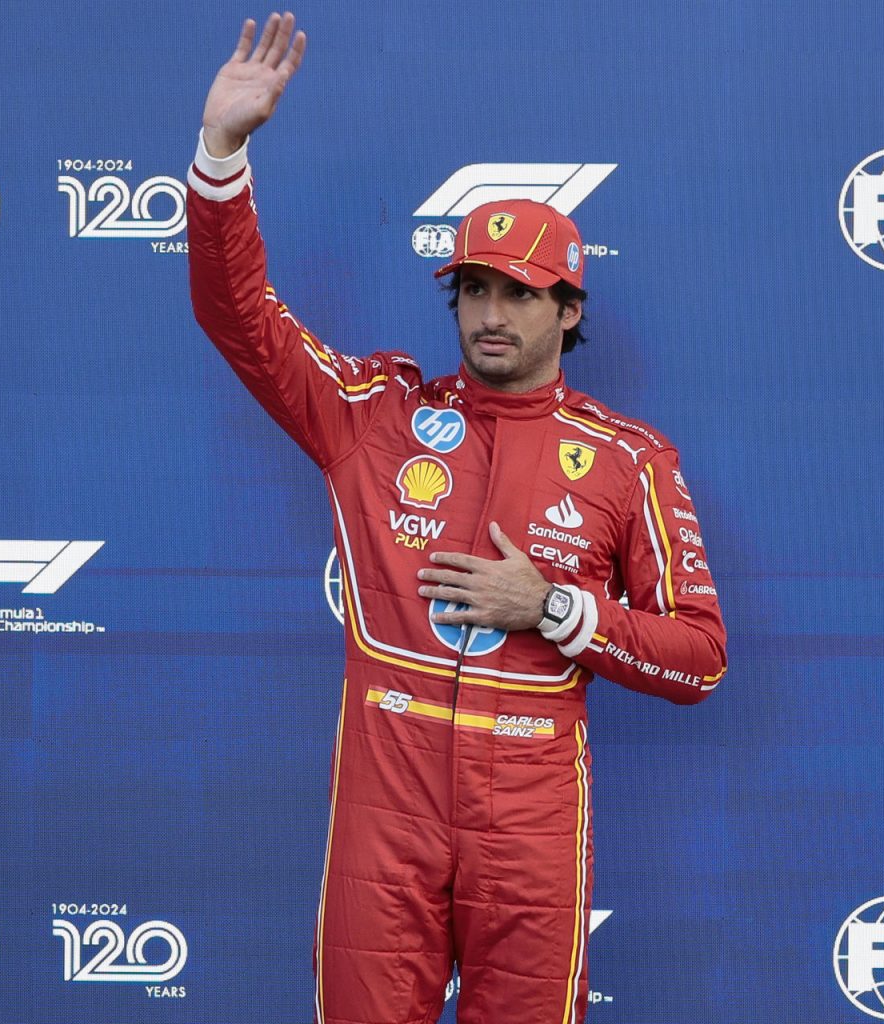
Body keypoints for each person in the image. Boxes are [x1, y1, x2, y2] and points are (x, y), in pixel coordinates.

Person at [185, 13, 727, 1024]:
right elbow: (240, 317)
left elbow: (700, 657)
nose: (491, 313)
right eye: (474, 288)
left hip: (529, 818)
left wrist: (558, 608)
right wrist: (222, 153)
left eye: (520, 294)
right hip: (384, 816)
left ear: (569, 308)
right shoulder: (378, 416)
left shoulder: (629, 459)